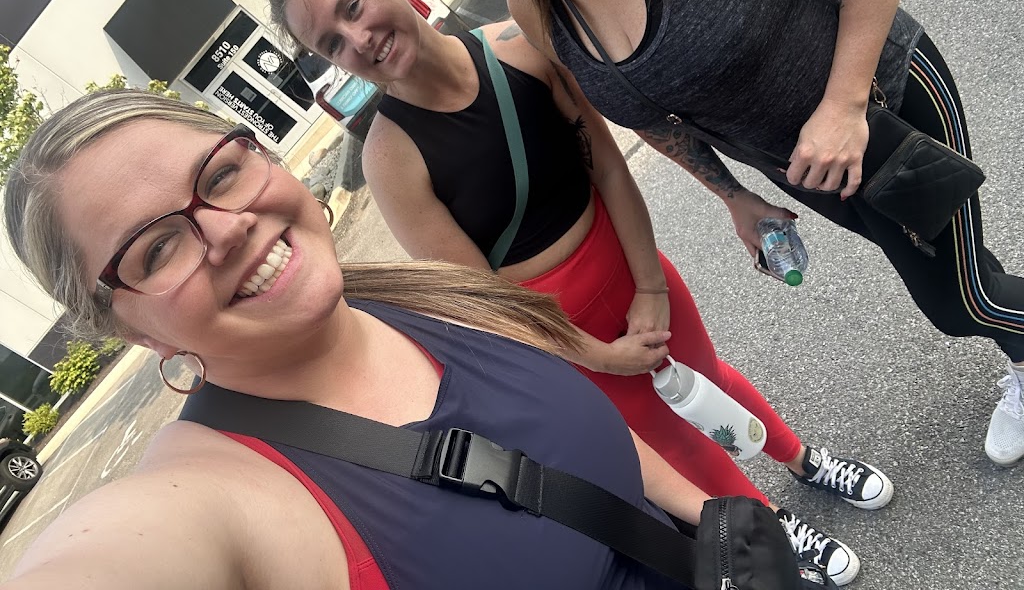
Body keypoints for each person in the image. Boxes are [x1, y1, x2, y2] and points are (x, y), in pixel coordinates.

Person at [370, 0, 1024, 466]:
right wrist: (733, 196)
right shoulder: (535, 4)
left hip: (886, 110)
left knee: (959, 299)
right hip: (808, 166)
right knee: (953, 269)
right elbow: (649, 114)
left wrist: (844, 105)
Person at [267, 0, 895, 585]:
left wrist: (649, 285)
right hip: (558, 332)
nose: (357, 40)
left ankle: (803, 459)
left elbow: (609, 169)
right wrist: (596, 356)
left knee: (708, 381)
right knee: (669, 442)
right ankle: (771, 530)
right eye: (331, 44)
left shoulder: (518, 47)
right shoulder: (392, 159)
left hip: (631, 268)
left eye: (352, 7)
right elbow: (480, 301)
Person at [1, 89, 735, 589]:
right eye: (157, 250)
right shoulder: (207, 494)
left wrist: (725, 529)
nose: (228, 231)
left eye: (221, 175)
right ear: (129, 328)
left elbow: (585, 443)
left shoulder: (427, 295)